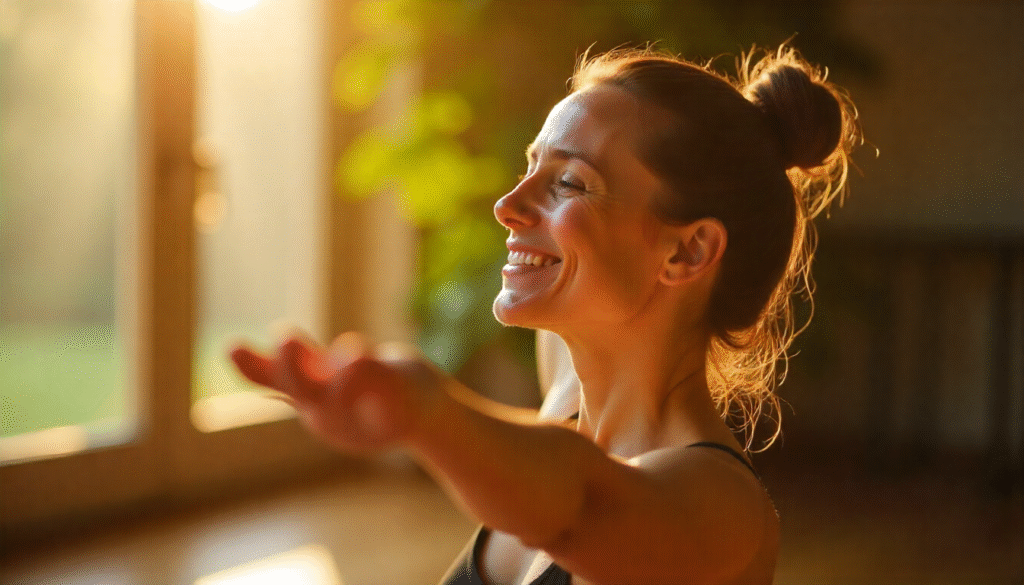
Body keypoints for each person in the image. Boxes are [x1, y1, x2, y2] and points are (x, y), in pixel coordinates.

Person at [230, 43, 860, 585]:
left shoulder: (724, 511)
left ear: (688, 250)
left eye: (571, 183)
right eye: (531, 166)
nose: (508, 204)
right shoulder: (565, 379)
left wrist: (426, 411)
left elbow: (581, 504)